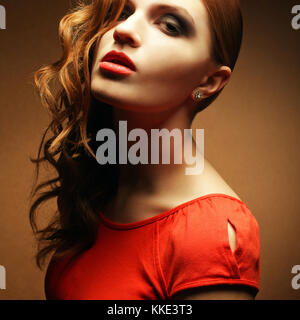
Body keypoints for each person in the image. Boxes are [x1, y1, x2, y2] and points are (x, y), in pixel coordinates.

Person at [29, 0, 260, 300]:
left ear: (209, 81)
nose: (124, 30)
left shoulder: (213, 234)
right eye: (124, 12)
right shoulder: (103, 184)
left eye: (170, 26)